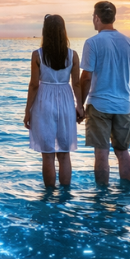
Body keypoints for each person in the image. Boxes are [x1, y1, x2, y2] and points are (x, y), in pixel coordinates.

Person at [79, 1, 130, 186]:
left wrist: (80, 104)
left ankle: (102, 196)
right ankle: (126, 194)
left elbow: (86, 77)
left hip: (99, 105)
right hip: (123, 105)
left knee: (101, 152)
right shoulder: (129, 42)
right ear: (113, 18)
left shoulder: (92, 42)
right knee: (122, 152)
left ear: (96, 18)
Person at [23, 14, 83, 188]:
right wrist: (80, 107)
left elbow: (34, 85)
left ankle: (49, 195)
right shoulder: (73, 55)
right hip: (65, 100)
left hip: (44, 101)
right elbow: (77, 83)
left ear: (45, 32)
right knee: (64, 154)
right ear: (63, 31)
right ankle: (65, 196)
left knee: (47, 154)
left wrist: (27, 111)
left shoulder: (37, 55)